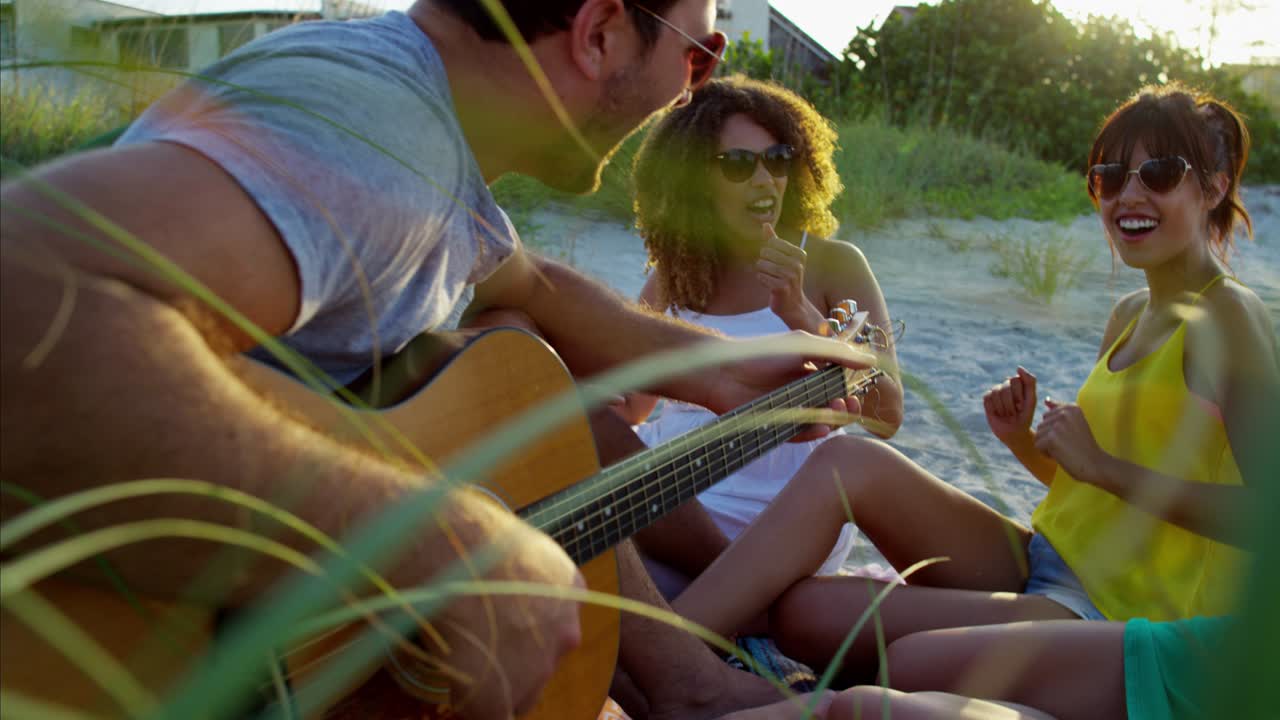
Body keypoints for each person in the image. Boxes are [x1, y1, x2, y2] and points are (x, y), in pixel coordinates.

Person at [0, 2, 873, 718]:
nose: (700, 85)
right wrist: (435, 546)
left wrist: (712, 366)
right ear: (601, 32)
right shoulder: (379, 139)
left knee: (523, 386)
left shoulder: (425, 139)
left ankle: (685, 683)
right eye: (700, 53)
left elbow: (531, 285)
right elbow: (25, 298)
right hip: (132, 669)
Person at [665, 83, 1279, 682]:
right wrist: (1024, 444)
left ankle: (655, 658)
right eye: (1110, 178)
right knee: (846, 471)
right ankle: (654, 647)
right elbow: (1093, 491)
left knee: (834, 627)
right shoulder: (1128, 315)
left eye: (1160, 174)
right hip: (1041, 554)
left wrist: (1105, 468)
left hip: (1110, 609)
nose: (1128, 196)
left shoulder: (1229, 316)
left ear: (1214, 187)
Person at [617, 76, 903, 602]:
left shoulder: (833, 263)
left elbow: (886, 413)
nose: (764, 179)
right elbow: (632, 407)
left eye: (777, 159)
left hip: (786, 515)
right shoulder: (674, 275)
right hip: (678, 496)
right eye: (738, 165)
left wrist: (798, 309)